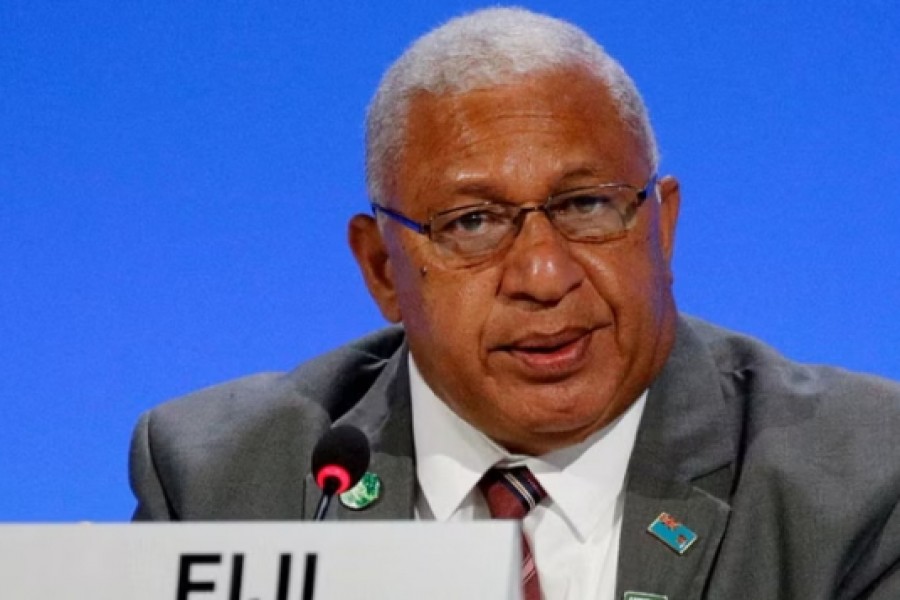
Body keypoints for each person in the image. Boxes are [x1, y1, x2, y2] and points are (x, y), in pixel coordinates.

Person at [129, 7, 900, 599]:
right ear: (381, 269)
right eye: (471, 223)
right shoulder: (221, 482)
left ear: (662, 227)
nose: (542, 273)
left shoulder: (864, 476)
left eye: (588, 206)